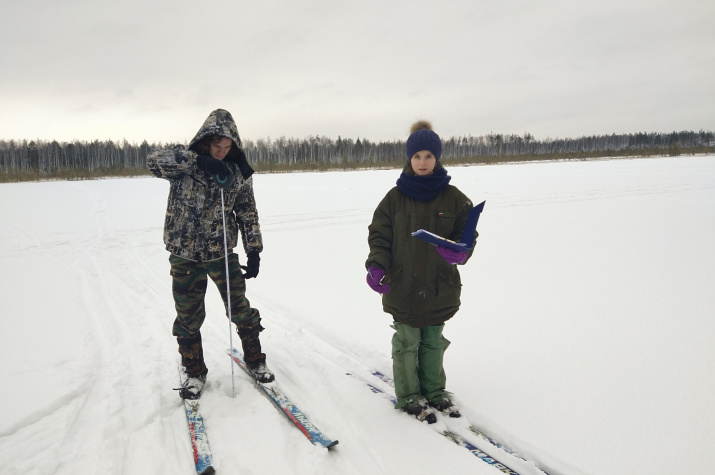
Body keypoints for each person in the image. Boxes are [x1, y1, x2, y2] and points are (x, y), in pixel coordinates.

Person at [148, 108, 274, 400]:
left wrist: (253, 249)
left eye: (226, 147)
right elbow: (153, 161)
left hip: (221, 252)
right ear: (205, 141)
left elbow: (247, 211)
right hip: (185, 254)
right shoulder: (185, 163)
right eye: (216, 146)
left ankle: (255, 359)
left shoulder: (237, 170)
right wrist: (198, 160)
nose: (220, 151)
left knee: (240, 308)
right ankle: (194, 372)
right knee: (188, 317)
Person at [365, 120, 477, 423]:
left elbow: (467, 237)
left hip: (439, 286)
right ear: (408, 159)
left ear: (437, 158)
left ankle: (434, 391)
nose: (423, 162)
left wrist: (461, 252)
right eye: (417, 157)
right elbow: (380, 236)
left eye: (428, 156)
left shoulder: (455, 197)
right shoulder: (394, 198)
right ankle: (410, 395)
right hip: (402, 285)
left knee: (432, 341)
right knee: (407, 341)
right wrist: (376, 265)